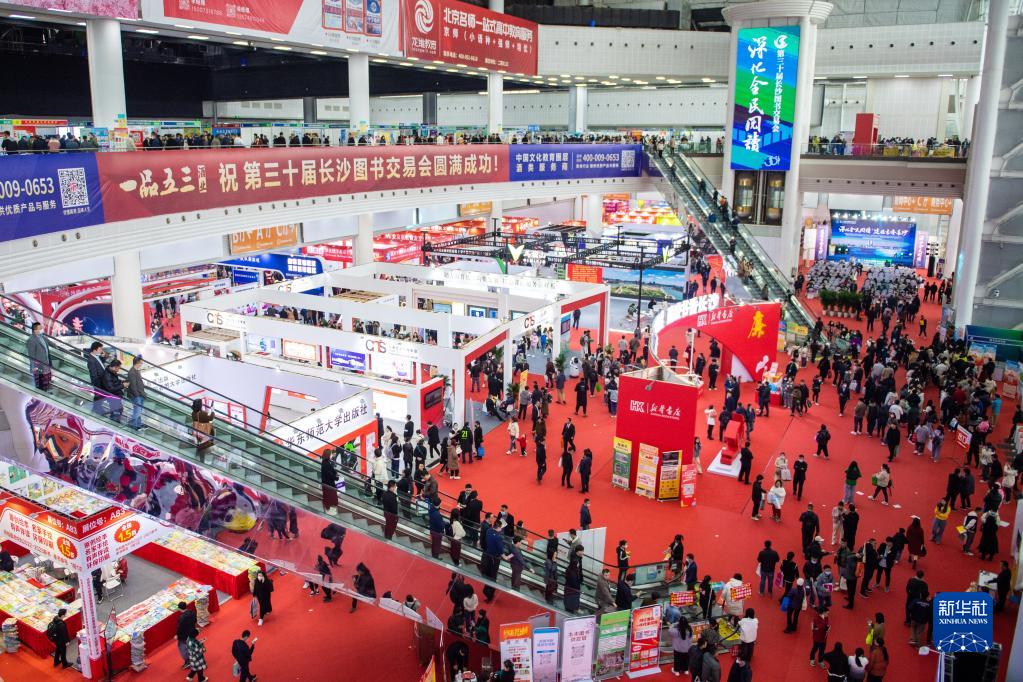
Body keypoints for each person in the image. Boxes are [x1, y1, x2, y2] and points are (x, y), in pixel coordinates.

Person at [27, 322, 51, 390]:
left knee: (46, 378)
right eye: (40, 328)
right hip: (38, 365)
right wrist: (34, 366)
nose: (41, 329)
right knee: (40, 381)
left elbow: (49, 342)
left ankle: (46, 389)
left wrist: (57, 347)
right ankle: (41, 391)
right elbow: (31, 354)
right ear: (35, 330)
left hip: (45, 361)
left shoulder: (42, 336)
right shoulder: (31, 340)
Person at [175, 601, 198, 669]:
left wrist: (177, 635)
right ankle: (195, 656)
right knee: (192, 645)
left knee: (183, 648)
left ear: (179, 608)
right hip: (192, 632)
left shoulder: (182, 618)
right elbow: (195, 620)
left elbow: (179, 628)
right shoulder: (191, 612)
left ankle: (188, 662)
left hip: (184, 636)